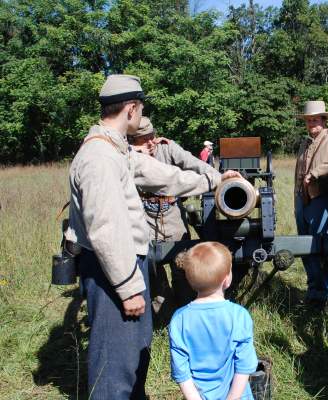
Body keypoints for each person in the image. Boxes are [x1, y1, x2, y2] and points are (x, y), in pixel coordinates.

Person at [65, 74, 239, 399]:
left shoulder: (114, 150)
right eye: (140, 108)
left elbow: (161, 175)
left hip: (124, 267)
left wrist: (214, 181)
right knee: (114, 366)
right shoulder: (100, 159)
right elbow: (106, 230)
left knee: (135, 353)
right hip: (112, 272)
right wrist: (130, 288)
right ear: (131, 109)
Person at [129, 117, 222, 316]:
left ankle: (187, 309)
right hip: (144, 218)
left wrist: (217, 178)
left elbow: (195, 164)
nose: (150, 142)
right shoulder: (127, 157)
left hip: (172, 215)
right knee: (152, 269)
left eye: (152, 136)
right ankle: (163, 312)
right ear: (132, 140)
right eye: (143, 139)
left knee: (182, 264)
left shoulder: (168, 147)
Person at [169, 242, 258, 400]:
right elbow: (245, 365)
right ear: (227, 279)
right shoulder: (239, 316)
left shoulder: (179, 319)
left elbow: (181, 371)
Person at [294, 100, 328, 308]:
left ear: (324, 120)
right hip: (302, 199)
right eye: (308, 121)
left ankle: (323, 293)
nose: (311, 124)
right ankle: (314, 288)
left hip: (321, 197)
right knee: (304, 245)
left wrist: (315, 173)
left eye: (315, 120)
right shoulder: (305, 142)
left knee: (318, 245)